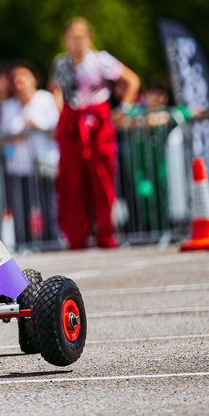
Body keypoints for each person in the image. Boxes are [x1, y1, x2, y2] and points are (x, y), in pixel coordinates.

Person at [49, 17, 140, 249]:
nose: (76, 42)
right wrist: (62, 111)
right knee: (71, 182)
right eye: (71, 37)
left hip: (97, 124)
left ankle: (105, 234)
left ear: (89, 38)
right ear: (65, 39)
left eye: (81, 37)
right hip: (72, 124)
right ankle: (76, 237)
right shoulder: (60, 63)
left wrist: (124, 109)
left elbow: (132, 80)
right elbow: (55, 89)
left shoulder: (101, 60)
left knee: (101, 178)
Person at [0, 61, 60, 246]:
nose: (19, 80)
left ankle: (51, 242)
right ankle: (25, 244)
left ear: (34, 78)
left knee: (48, 205)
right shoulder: (8, 106)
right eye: (15, 78)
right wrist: (14, 137)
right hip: (18, 165)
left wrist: (36, 126)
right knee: (20, 207)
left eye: (23, 75)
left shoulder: (46, 99)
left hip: (44, 162)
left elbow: (57, 130)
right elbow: (2, 136)